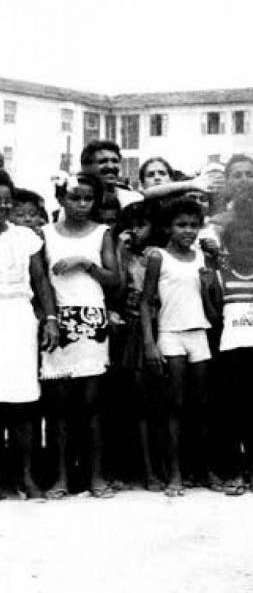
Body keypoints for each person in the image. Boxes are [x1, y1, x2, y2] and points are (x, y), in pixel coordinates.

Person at [40, 173, 120, 499]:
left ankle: (96, 475)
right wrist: (49, 318)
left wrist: (86, 263)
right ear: (61, 199)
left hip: (92, 319)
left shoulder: (102, 233)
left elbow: (115, 280)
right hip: (59, 320)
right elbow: (41, 282)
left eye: (89, 198)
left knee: (92, 404)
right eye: (75, 197)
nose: (82, 204)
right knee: (59, 406)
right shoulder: (44, 233)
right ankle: (60, 476)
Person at [140, 197, 214, 497]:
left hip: (199, 334)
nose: (188, 231)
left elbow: (212, 306)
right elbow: (146, 301)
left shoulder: (202, 258)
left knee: (202, 406)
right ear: (168, 228)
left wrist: (210, 283)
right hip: (170, 334)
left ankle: (205, 470)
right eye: (181, 225)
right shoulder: (158, 257)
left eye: (194, 225)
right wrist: (149, 342)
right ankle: (175, 474)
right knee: (174, 407)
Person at [203, 225, 253, 496]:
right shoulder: (221, 277)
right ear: (228, 249)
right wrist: (206, 290)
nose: (245, 250)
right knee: (233, 415)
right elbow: (213, 319)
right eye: (238, 245)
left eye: (250, 244)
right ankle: (235, 471)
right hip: (231, 355)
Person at [0, 176, 60, 499]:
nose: (2, 207)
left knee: (23, 402)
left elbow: (40, 281)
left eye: (6, 201)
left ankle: (26, 475)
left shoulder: (24, 237)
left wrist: (50, 319)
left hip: (19, 318)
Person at [112, 201, 164, 491]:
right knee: (139, 404)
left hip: (165, 325)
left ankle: (166, 465)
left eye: (142, 225)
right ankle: (145, 470)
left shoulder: (158, 256)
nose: (136, 231)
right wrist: (121, 253)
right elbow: (118, 289)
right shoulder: (126, 257)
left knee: (164, 403)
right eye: (130, 225)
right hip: (133, 331)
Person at [79, 141, 143, 208]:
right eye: (103, 161)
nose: (110, 166)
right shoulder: (73, 200)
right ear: (85, 167)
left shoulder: (133, 200)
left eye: (115, 161)